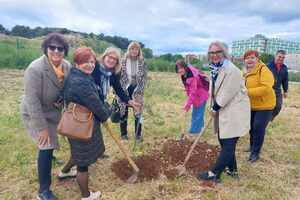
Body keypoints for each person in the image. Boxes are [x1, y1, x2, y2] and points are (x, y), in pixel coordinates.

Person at [20, 32, 71, 200]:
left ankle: (51, 156)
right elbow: (32, 101)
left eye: (60, 48)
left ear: (65, 51)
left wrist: (61, 100)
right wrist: (41, 128)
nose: (56, 51)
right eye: (52, 47)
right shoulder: (35, 69)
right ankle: (43, 191)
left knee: (50, 143)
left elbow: (66, 88)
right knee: (46, 145)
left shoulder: (66, 66)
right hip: (35, 112)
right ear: (46, 49)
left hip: (52, 110)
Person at [59, 47, 111, 200]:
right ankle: (86, 195)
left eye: (92, 62)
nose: (90, 65)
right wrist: (106, 113)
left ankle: (65, 172)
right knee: (83, 164)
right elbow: (95, 105)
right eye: (85, 62)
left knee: (77, 153)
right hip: (80, 125)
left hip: (74, 123)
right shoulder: (81, 82)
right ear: (76, 63)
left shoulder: (77, 75)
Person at [198, 41, 250, 183]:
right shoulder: (215, 68)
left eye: (217, 52)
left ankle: (214, 173)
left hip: (234, 111)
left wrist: (215, 107)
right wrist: (213, 105)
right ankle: (232, 170)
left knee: (228, 143)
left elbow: (227, 92)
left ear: (224, 53)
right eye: (211, 53)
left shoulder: (231, 70)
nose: (214, 55)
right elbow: (214, 90)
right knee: (224, 140)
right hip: (224, 109)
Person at [244, 50, 276, 162]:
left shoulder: (264, 70)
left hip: (265, 105)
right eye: (247, 58)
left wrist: (246, 92)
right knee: (251, 127)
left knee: (258, 127)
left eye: (252, 57)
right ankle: (252, 146)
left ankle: (255, 153)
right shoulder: (244, 72)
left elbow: (266, 88)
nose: (250, 60)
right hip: (251, 105)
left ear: (257, 59)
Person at [117, 42, 147, 141]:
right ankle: (123, 135)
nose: (134, 51)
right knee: (123, 111)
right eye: (132, 49)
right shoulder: (123, 61)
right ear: (129, 50)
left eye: (136, 49)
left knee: (138, 113)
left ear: (139, 51)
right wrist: (116, 88)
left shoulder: (142, 62)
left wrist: (141, 89)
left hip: (137, 89)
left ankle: (138, 135)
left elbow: (145, 77)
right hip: (124, 88)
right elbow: (118, 74)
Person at [175, 59, 209, 137]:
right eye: (178, 69)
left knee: (197, 113)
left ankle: (194, 132)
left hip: (201, 94)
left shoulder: (192, 76)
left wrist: (187, 106)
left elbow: (193, 92)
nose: (179, 71)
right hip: (197, 94)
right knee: (198, 112)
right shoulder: (185, 74)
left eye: (181, 68)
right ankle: (200, 128)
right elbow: (189, 87)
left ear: (185, 67)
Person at [267, 50, 289, 121]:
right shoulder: (268, 66)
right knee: (267, 106)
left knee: (278, 106)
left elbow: (285, 80)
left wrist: (285, 91)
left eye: (283, 58)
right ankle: (266, 118)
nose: (281, 59)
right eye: (279, 57)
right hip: (268, 89)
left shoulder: (284, 68)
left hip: (277, 90)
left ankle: (270, 118)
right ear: (275, 56)